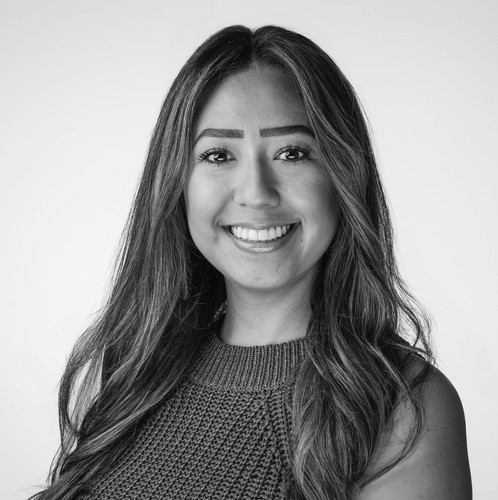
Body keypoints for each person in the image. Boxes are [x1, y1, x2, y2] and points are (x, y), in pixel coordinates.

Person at [31, 25, 472, 500]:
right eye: (218, 154)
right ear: (176, 183)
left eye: (292, 153)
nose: (257, 193)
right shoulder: (136, 373)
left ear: (343, 176)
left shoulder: (403, 406)